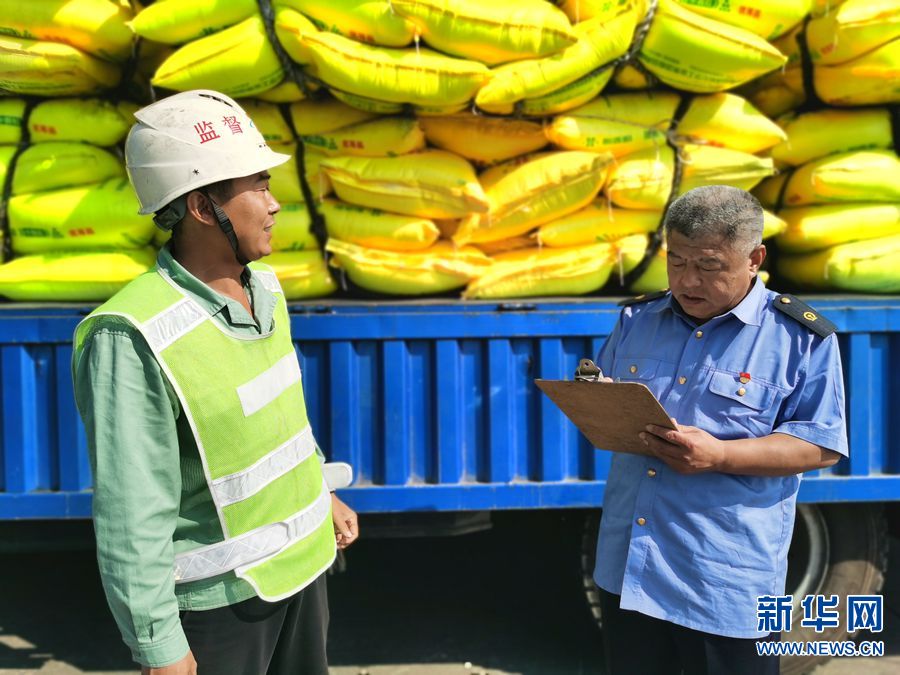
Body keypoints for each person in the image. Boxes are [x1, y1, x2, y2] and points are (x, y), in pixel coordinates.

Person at [72, 90, 358, 674]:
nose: (275, 204)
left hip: (303, 571)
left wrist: (319, 490)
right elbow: (132, 508)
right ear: (203, 207)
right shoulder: (132, 333)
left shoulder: (267, 288)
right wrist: (159, 646)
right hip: (223, 605)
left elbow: (280, 415)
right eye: (258, 185)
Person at [592, 185, 848, 674]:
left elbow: (819, 446)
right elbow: (611, 400)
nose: (688, 281)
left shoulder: (799, 339)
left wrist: (722, 456)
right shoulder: (637, 319)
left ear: (754, 258)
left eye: (708, 266)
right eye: (676, 261)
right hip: (630, 568)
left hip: (723, 582)